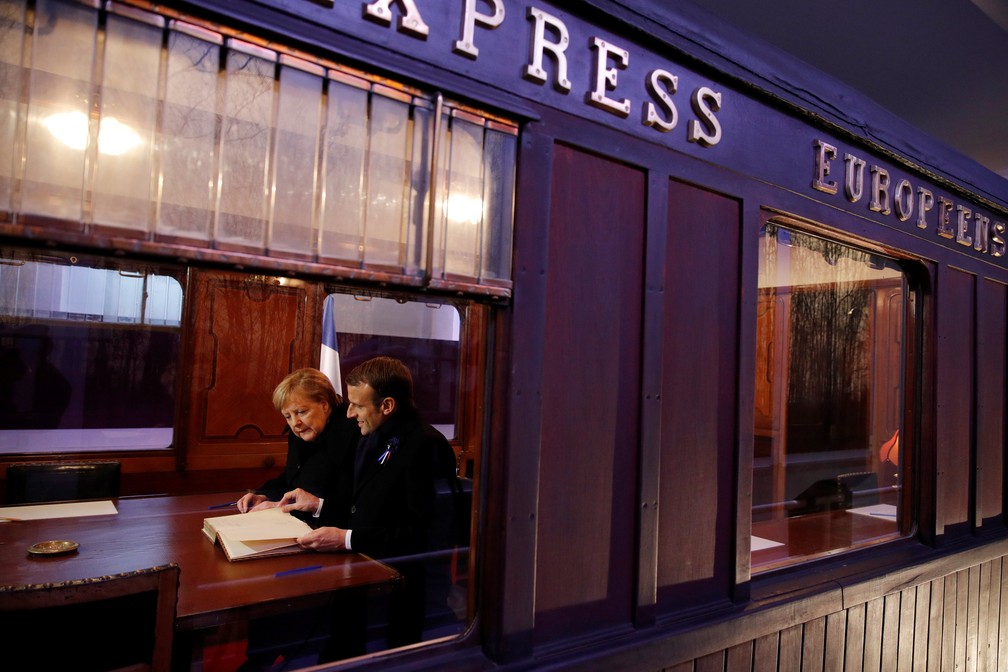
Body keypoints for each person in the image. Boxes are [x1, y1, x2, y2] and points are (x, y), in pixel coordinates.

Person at [278, 356, 456, 660]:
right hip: (367, 571)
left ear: (387, 405)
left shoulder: (426, 445)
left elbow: (420, 534)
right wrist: (318, 505)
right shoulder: (374, 437)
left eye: (358, 405)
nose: (349, 413)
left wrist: (347, 539)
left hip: (403, 588)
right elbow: (366, 505)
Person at [237, 368, 359, 521]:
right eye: (288, 416)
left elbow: (346, 502)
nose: (295, 423)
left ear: (324, 405)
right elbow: (292, 479)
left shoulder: (353, 434)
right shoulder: (301, 434)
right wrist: (264, 495)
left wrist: (278, 506)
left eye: (301, 412)